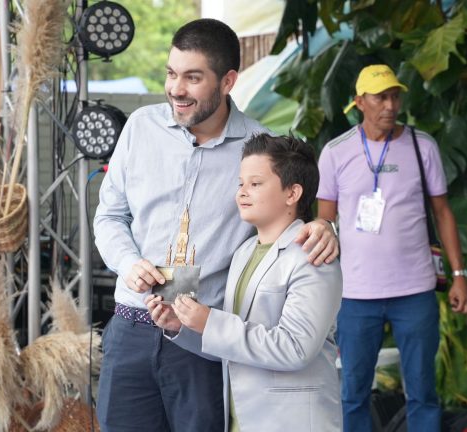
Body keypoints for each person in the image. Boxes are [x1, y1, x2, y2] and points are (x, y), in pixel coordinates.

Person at [93, 18, 339, 432]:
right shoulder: (140, 128)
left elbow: (287, 222)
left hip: (203, 339)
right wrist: (128, 262)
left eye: (192, 78)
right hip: (130, 327)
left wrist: (326, 227)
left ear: (227, 81)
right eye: (171, 74)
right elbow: (109, 216)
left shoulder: (260, 150)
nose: (176, 89)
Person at [147, 134, 343, 432]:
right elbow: (232, 345)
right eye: (240, 184)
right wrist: (183, 326)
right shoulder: (243, 253)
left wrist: (210, 321)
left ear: (292, 193)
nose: (242, 193)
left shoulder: (313, 254)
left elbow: (295, 348)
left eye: (255, 184)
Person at [316, 64, 467, 432]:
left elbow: (443, 212)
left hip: (415, 291)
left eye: (394, 96)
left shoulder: (422, 146)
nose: (390, 105)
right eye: (380, 97)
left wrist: (459, 275)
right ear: (359, 102)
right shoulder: (336, 152)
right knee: (353, 393)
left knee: (422, 391)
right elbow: (324, 223)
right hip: (355, 294)